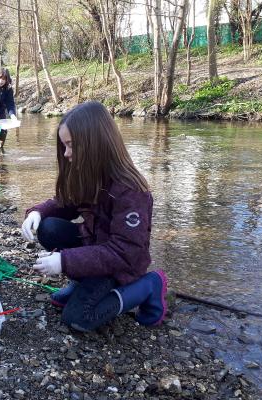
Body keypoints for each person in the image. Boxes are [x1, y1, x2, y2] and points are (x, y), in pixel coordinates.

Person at [21, 101, 168, 332]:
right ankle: (83, 283)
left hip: (121, 266)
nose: (67, 153)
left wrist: (64, 261)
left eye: (70, 145)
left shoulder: (130, 190)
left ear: (94, 143)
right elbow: (67, 203)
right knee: (48, 227)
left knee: (79, 319)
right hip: (95, 248)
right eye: (64, 146)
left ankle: (150, 285)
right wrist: (38, 211)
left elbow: (123, 252)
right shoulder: (91, 174)